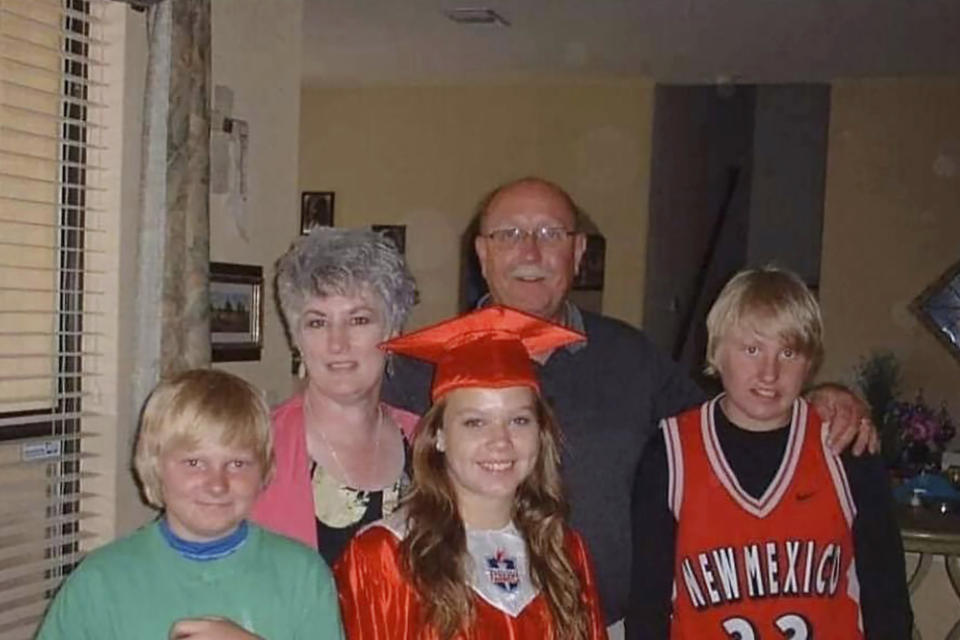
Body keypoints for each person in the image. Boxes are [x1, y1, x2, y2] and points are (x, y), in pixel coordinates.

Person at [382, 176, 877, 630]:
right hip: (456, 625)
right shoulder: (422, 368)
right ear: (481, 253)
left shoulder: (631, 359)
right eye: (509, 234)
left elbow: (731, 417)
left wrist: (818, 398)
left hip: (610, 624)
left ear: (578, 253)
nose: (530, 251)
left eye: (551, 234)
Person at [626, 267, 911, 639]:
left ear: (810, 363)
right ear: (717, 351)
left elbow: (887, 599)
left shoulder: (845, 446)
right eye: (752, 349)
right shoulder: (670, 453)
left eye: (789, 352)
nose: (769, 373)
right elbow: (647, 608)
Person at [335, 306, 606, 639]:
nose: (501, 441)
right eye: (475, 422)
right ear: (439, 436)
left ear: (542, 432)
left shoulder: (565, 551)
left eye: (519, 420)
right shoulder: (385, 556)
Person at [36, 369, 344, 639]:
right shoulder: (100, 582)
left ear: (264, 470)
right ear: (154, 465)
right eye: (194, 462)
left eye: (237, 464)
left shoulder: (303, 576)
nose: (217, 484)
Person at [251, 227, 420, 565]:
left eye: (358, 320)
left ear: (392, 332)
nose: (337, 343)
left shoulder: (431, 444)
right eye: (317, 323)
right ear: (296, 338)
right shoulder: (251, 445)